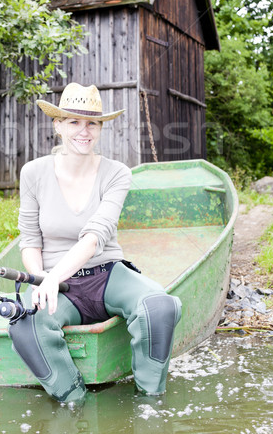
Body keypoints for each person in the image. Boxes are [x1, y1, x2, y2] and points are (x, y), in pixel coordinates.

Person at [9, 83, 181, 403]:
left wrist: (53, 276)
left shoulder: (117, 173)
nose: (84, 131)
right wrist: (39, 278)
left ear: (101, 128)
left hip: (106, 275)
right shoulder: (33, 173)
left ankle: (149, 401)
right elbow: (30, 240)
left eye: (92, 123)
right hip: (57, 287)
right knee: (24, 323)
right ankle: (73, 401)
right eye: (74, 121)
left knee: (160, 306)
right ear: (57, 125)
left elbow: (94, 237)